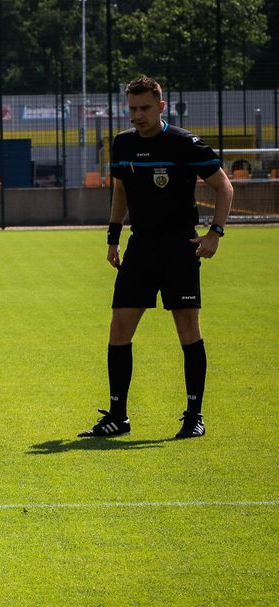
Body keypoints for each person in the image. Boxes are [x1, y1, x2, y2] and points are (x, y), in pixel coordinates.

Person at [80, 76, 233, 439]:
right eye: (132, 108)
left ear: (161, 107)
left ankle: (194, 415)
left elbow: (224, 187)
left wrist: (215, 232)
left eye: (144, 108)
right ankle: (118, 416)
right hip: (141, 248)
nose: (137, 115)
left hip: (180, 249)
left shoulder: (184, 143)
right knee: (119, 328)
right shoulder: (123, 144)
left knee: (187, 330)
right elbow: (121, 191)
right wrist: (113, 238)